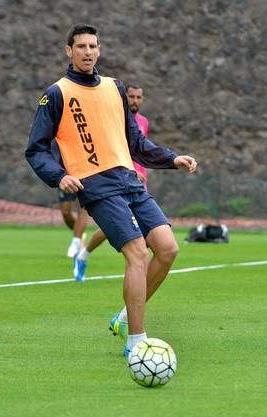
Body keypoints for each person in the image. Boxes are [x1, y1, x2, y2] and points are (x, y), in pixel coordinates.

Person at [25, 24, 197, 357]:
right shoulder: (56, 94)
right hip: (95, 184)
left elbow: (136, 143)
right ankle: (136, 343)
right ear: (68, 51)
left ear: (99, 50)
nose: (87, 52)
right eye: (80, 47)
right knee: (137, 253)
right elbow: (35, 149)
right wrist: (59, 176)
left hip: (129, 179)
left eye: (93, 46)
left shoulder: (115, 88)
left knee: (167, 248)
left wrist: (172, 158)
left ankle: (123, 318)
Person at [73, 84, 150, 281]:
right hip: (120, 178)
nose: (134, 101)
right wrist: (129, 170)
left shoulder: (143, 122)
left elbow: (139, 149)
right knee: (120, 229)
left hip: (139, 182)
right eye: (131, 96)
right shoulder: (116, 119)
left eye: (138, 97)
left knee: (136, 232)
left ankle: (85, 256)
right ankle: (84, 255)